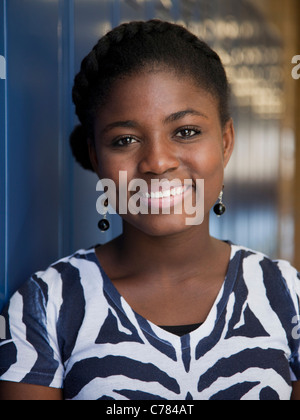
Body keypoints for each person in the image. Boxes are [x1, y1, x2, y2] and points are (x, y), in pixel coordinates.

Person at [0, 19, 300, 401]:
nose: (157, 162)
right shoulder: (46, 305)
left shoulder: (287, 295)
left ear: (225, 143)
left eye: (186, 131)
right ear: (95, 157)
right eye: (125, 140)